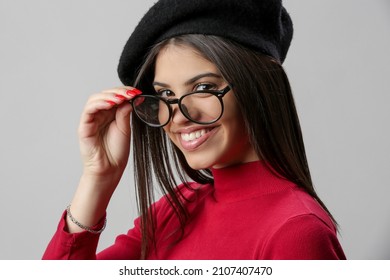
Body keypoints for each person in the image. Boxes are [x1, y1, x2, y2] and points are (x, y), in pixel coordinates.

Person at [43, 0, 346, 260]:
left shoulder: (296, 232)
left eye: (203, 87)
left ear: (259, 87)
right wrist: (98, 177)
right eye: (164, 95)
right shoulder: (177, 209)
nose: (177, 116)